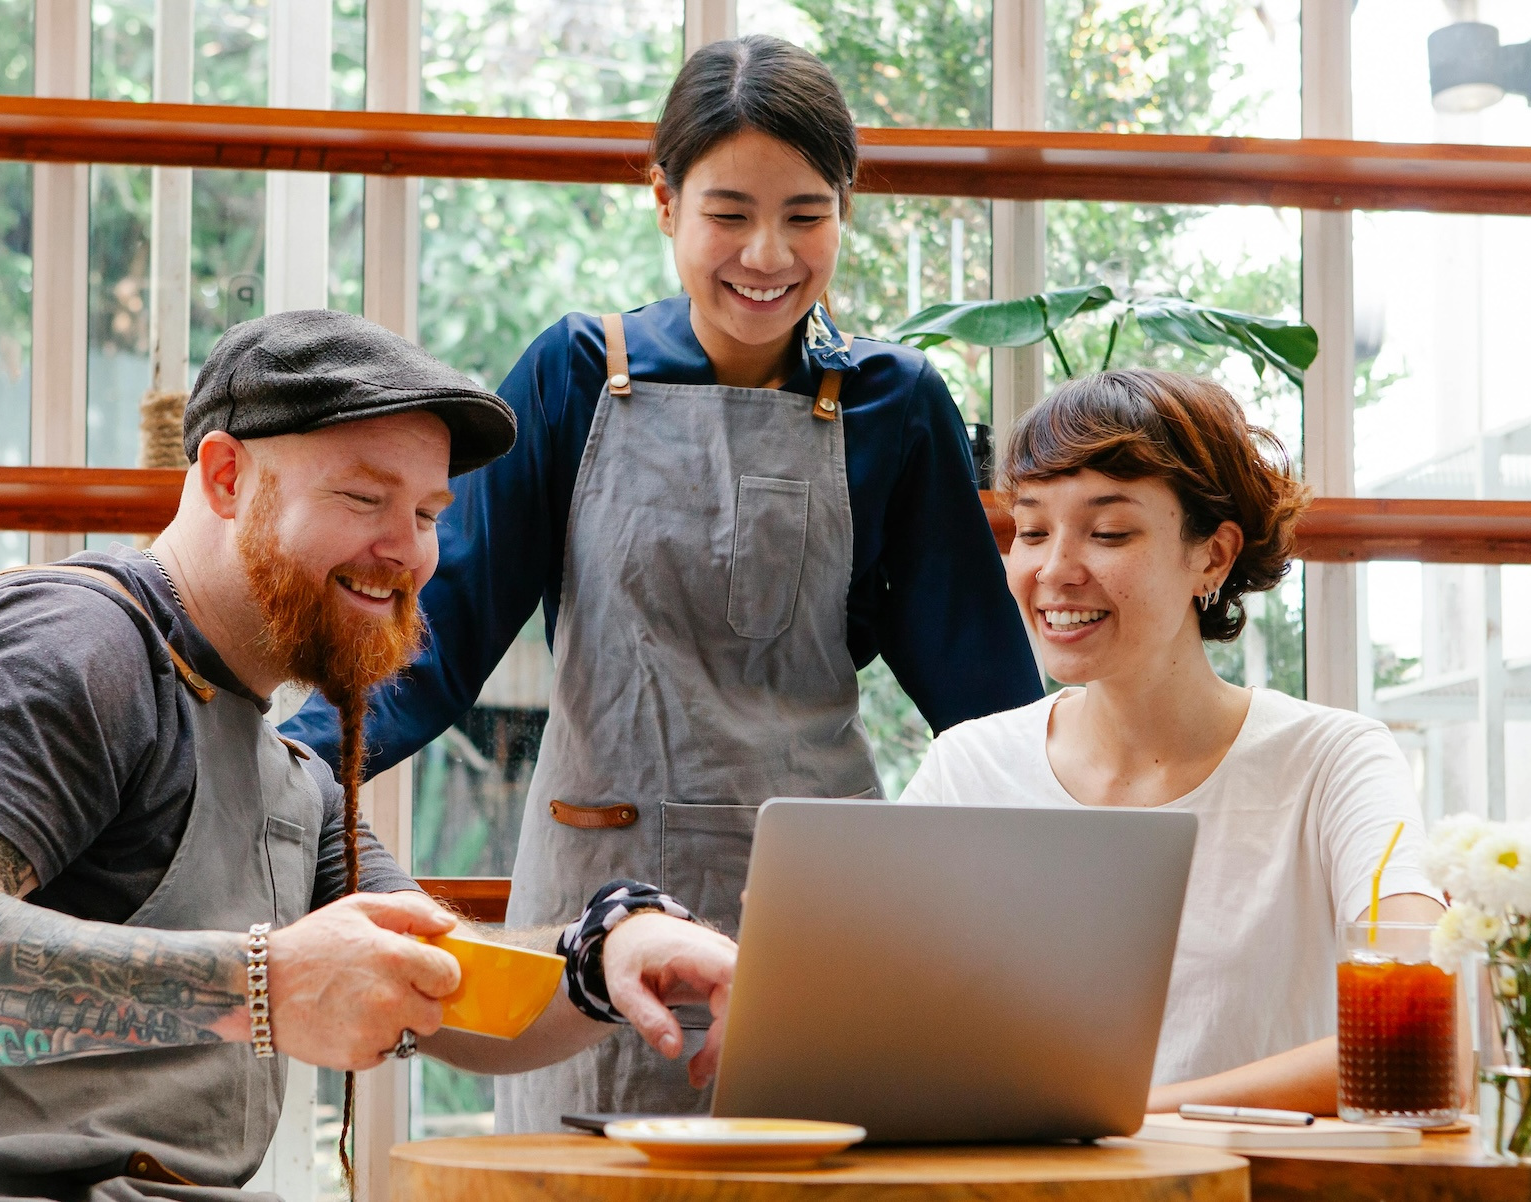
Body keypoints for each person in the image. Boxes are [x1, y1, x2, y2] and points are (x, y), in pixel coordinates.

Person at [0, 311, 739, 1202]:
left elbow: (446, 990)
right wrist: (266, 986)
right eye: (364, 497)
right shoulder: (68, 647)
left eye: (430, 514)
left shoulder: (288, 775)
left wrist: (604, 955)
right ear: (225, 477)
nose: (408, 551)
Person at [281, 34, 1041, 1131]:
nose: (767, 254)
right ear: (664, 203)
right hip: (596, 915)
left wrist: (1089, 875)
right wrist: (284, 760)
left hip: (819, 908)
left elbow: (988, 707)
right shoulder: (575, 373)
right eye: (728, 212)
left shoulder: (895, 403)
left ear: (845, 210)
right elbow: (435, 641)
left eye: (806, 213)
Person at [900, 368, 1446, 1115]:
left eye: (1109, 532)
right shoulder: (967, 767)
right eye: (1030, 530)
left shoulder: (1333, 762)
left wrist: (1122, 1117)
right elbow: (884, 1028)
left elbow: (1429, 1037)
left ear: (1213, 557)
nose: (1054, 570)